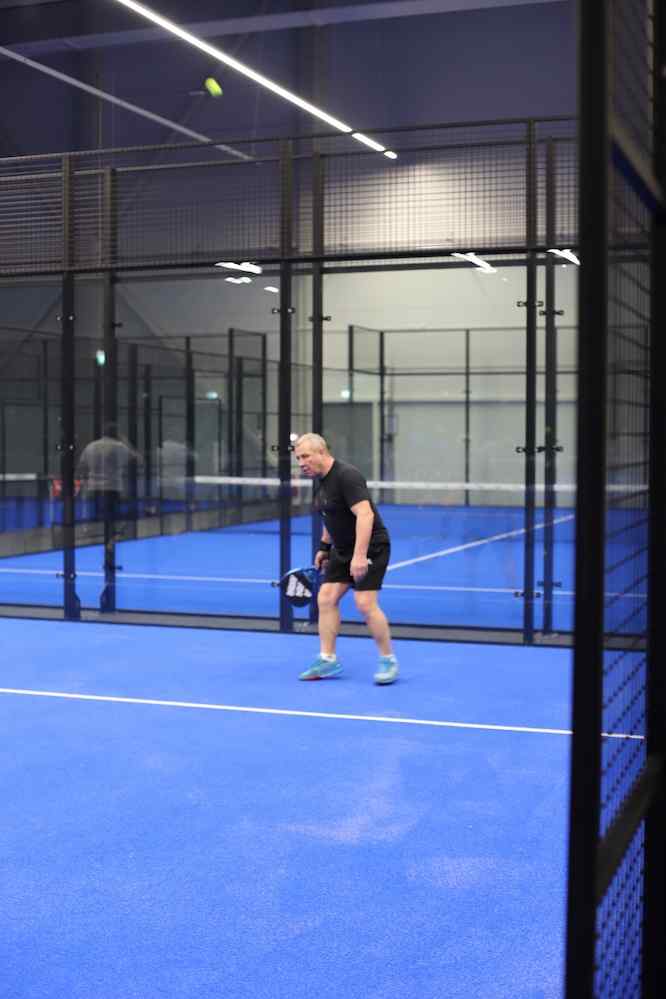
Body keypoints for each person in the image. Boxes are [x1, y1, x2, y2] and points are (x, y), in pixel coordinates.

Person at [293, 433, 399, 685]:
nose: (301, 463)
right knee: (326, 598)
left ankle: (388, 660)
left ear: (322, 452)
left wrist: (360, 556)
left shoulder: (346, 476)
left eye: (305, 456)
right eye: (298, 458)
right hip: (341, 549)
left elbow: (365, 515)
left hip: (371, 546)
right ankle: (327, 660)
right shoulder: (320, 480)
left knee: (364, 603)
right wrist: (324, 547)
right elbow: (330, 515)